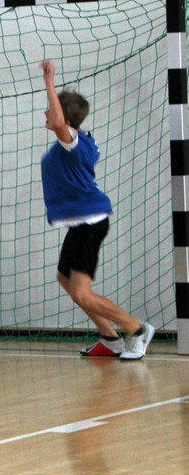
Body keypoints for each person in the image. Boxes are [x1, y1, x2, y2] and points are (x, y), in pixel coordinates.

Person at [40, 60, 154, 360]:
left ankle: (137, 329)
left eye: (50, 109)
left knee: (82, 292)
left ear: (64, 117)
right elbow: (62, 124)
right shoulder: (77, 143)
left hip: (90, 223)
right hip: (81, 223)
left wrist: (49, 81)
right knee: (65, 279)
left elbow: (60, 124)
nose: (46, 113)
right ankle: (110, 338)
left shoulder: (73, 143)